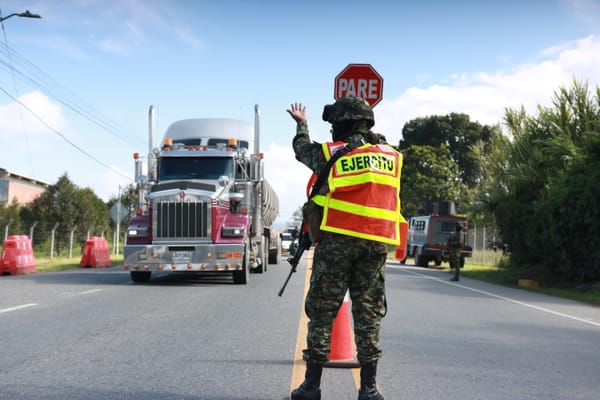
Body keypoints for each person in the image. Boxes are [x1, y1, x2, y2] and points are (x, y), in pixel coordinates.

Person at [286, 97, 404, 400]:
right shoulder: (392, 156)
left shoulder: (331, 152)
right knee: (369, 315)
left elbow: (302, 150)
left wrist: (301, 125)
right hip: (376, 245)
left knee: (324, 312)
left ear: (343, 123)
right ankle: (369, 390)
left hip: (338, 241)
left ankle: (311, 387)